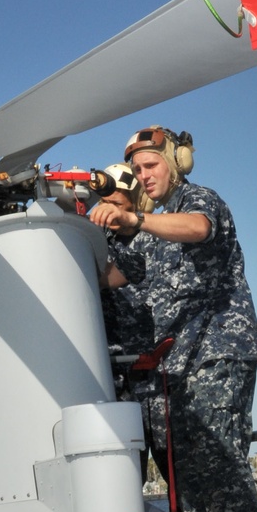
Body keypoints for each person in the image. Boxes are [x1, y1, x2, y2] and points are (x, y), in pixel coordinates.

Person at [89, 126, 257, 512]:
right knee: (189, 486)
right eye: (137, 168)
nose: (144, 174)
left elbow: (199, 228)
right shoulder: (153, 232)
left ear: (175, 162)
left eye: (151, 165)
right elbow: (112, 277)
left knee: (221, 477)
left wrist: (135, 218)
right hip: (180, 369)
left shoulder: (198, 199)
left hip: (216, 354)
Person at [94, 163, 153, 400]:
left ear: (137, 204)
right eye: (104, 204)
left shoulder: (152, 238)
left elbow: (107, 277)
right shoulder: (100, 239)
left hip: (145, 363)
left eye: (117, 205)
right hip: (109, 362)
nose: (110, 211)